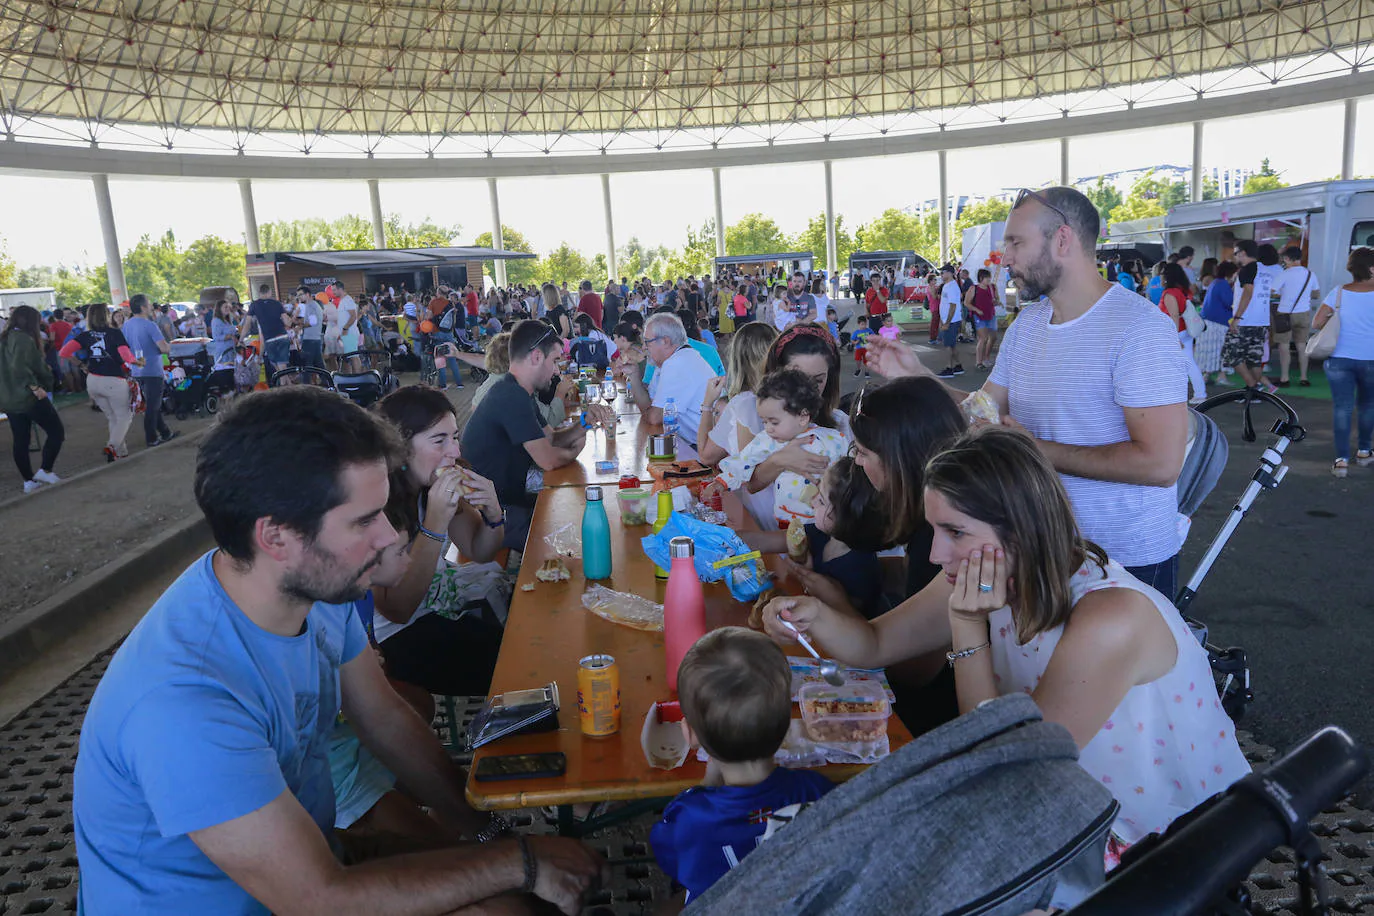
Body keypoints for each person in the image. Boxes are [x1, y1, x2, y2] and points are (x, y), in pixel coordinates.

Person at [73, 386, 606, 915]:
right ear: (276, 537)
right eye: (364, 521)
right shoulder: (183, 701)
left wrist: (487, 830)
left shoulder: (312, 587)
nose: (386, 538)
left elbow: (385, 720)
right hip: (283, 896)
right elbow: (319, 900)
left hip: (320, 855)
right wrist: (521, 861)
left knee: (513, 905)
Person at [763, 428, 1249, 867]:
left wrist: (967, 627)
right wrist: (815, 617)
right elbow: (875, 644)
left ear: (1022, 529)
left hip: (1164, 844)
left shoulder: (1110, 619)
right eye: (934, 530)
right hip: (1059, 804)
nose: (935, 554)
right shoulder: (985, 572)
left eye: (955, 532)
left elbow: (1008, 767)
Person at [868, 187, 1190, 598]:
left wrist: (1033, 449)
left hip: (1122, 560)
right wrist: (914, 376)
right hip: (1039, 545)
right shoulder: (1028, 325)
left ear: (1062, 239)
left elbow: (1161, 465)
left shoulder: (1139, 328)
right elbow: (980, 413)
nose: (1006, 258)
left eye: (1016, 242)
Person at [650, 628, 833, 904]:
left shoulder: (687, 816)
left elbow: (671, 861)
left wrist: (708, 785)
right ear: (787, 726)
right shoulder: (817, 792)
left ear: (690, 735)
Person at [372, 386, 509, 699]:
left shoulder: (433, 483)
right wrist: (433, 524)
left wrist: (494, 514)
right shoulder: (378, 505)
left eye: (455, 436)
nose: (455, 451)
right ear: (401, 448)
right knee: (509, 667)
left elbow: (479, 550)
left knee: (521, 643)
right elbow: (398, 611)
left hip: (435, 609)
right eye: (439, 440)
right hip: (395, 637)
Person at [462, 319, 589, 550]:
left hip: (508, 500)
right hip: (490, 515)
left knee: (574, 514)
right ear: (536, 357)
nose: (556, 370)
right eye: (555, 360)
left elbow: (550, 438)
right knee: (570, 538)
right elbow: (548, 460)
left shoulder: (518, 390)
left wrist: (585, 424)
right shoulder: (510, 396)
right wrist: (575, 451)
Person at [741, 457, 890, 618]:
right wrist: (719, 538)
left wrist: (808, 576)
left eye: (821, 500)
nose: (812, 503)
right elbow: (763, 541)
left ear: (844, 518)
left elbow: (850, 620)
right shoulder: (821, 534)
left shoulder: (860, 568)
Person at [711, 369, 849, 529]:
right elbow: (743, 461)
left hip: (829, 520)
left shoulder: (835, 439)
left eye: (774, 422)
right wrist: (721, 483)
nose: (768, 428)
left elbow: (850, 473)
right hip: (789, 520)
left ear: (803, 417)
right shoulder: (767, 441)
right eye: (764, 422)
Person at [1313, 247, 1374, 478]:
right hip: (1371, 359)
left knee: (1342, 408)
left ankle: (1341, 459)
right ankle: (1365, 450)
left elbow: (1317, 323)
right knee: (1368, 406)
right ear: (1371, 268)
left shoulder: (1338, 292)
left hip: (1339, 360)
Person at [626, 312, 717, 459]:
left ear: (666, 341)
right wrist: (634, 376)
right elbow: (650, 409)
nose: (643, 347)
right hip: (692, 445)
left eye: (647, 341)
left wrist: (651, 411)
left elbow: (654, 417)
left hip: (704, 453)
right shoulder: (668, 363)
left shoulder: (678, 362)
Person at [60, 303, 138, 463]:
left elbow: (64, 352)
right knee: (124, 416)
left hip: (93, 380)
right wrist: (138, 362)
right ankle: (112, 446)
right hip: (113, 380)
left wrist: (81, 365)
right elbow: (126, 356)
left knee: (112, 417)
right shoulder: (115, 333)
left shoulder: (85, 335)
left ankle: (121, 452)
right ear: (106, 316)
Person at [0, 305, 65, 493]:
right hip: (28, 396)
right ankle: (45, 469)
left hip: (9, 398)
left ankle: (29, 481)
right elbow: (20, 367)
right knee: (56, 431)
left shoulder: (4, 339)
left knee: (20, 439)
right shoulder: (23, 340)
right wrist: (36, 386)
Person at [696, 321, 776, 468]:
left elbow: (706, 456)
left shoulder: (744, 402)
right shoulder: (786, 395)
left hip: (751, 489)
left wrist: (707, 404)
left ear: (738, 360)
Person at [1223, 240, 1278, 395]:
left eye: (1235, 253)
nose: (1235, 257)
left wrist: (1237, 317)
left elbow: (1248, 292)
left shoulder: (1247, 270)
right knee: (1254, 358)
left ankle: (1253, 387)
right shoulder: (1265, 270)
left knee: (1232, 354)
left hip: (1246, 321)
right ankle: (1254, 390)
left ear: (1242, 252)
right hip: (1261, 321)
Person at [123, 294, 178, 448]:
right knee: (153, 406)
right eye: (148, 304)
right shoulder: (150, 325)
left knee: (152, 403)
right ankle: (151, 437)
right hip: (152, 368)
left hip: (137, 368)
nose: (151, 307)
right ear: (142, 307)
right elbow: (163, 348)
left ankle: (165, 432)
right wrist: (170, 346)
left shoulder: (127, 325)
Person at [1159, 263, 1208, 404]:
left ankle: (1200, 394)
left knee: (1186, 365)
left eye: (1162, 274)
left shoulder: (1169, 294)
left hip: (1176, 334)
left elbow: (1173, 316)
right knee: (1186, 364)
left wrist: (1173, 338)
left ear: (1167, 276)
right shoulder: (1182, 291)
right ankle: (1198, 393)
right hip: (1183, 332)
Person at [1274, 246, 1320, 387]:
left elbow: (1272, 292)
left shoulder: (1284, 273)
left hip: (1284, 313)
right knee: (1302, 345)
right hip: (1303, 314)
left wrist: (1283, 294)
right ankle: (1304, 377)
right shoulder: (1310, 274)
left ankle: (1285, 378)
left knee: (1284, 346)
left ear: (1287, 258)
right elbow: (1316, 295)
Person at [1197, 262, 1237, 384]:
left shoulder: (1215, 282)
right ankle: (1222, 376)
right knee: (1222, 349)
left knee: (1209, 349)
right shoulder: (1223, 284)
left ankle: (1206, 375)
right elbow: (1230, 302)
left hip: (1207, 321)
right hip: (1218, 323)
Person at [241, 283, 291, 376]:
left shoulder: (254, 305)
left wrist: (241, 339)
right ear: (270, 292)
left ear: (259, 293)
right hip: (282, 336)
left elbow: (247, 324)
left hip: (269, 339)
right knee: (282, 367)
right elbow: (287, 322)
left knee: (278, 368)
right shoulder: (277, 303)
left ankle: (285, 387)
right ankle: (287, 386)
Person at [966, 268, 1000, 371]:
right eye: (987, 278)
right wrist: (976, 310)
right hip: (979, 316)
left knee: (993, 337)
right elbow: (967, 303)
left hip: (991, 315)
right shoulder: (973, 289)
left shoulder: (993, 287)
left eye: (989, 278)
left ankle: (987, 357)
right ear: (981, 278)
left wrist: (996, 302)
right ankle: (979, 361)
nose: (989, 280)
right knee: (983, 338)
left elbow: (997, 300)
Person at [936, 265, 965, 377]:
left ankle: (949, 368)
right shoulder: (947, 286)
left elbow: (953, 306)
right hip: (949, 320)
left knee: (948, 345)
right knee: (952, 345)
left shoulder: (952, 287)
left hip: (951, 321)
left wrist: (947, 322)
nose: (941, 275)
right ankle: (958, 366)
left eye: (942, 272)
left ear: (949, 273)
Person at [296, 287, 325, 370]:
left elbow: (312, 322)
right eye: (298, 295)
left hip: (310, 339)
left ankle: (306, 383)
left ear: (307, 294)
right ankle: (327, 382)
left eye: (301, 294)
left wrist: (299, 327)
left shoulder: (311, 305)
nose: (299, 297)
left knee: (307, 367)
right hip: (315, 339)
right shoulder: (313, 305)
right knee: (319, 365)